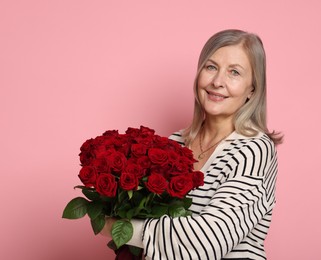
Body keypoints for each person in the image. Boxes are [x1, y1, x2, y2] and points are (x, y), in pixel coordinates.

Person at [101, 29, 282, 260]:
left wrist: (117, 229)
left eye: (234, 72)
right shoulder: (173, 145)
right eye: (211, 67)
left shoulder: (254, 150)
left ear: (252, 90)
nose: (217, 82)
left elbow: (209, 241)